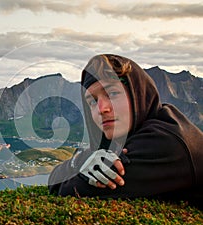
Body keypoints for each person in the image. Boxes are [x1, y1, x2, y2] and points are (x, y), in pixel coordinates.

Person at [48, 54, 203, 205]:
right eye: (93, 101)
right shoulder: (133, 134)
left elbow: (77, 190)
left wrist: (79, 167)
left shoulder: (166, 141)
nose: (102, 109)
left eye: (113, 93)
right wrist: (78, 161)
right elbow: (54, 178)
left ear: (138, 95)